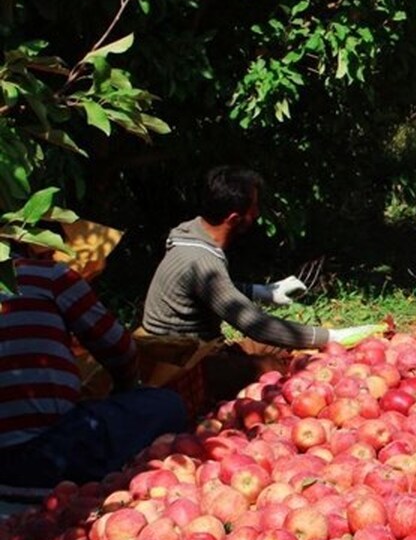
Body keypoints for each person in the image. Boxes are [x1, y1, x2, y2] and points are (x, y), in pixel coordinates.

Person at [140, 167, 374, 400]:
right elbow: (256, 326)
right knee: (273, 367)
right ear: (233, 218)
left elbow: (211, 290)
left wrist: (265, 292)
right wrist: (332, 337)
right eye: (253, 209)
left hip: (201, 347)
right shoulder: (202, 261)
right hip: (184, 363)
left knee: (283, 347)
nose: (257, 214)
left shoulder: (192, 233)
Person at [0, 255, 188, 491]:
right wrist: (126, 389)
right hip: (48, 451)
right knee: (168, 404)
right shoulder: (46, 275)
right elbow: (119, 349)